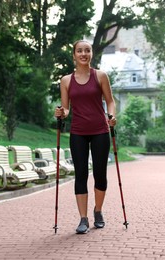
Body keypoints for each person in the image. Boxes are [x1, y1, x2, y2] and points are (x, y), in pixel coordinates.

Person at [54, 40, 116, 234]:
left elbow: (110, 102)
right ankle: (83, 219)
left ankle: (98, 210)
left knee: (100, 174)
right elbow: (66, 108)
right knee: (80, 174)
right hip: (78, 132)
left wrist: (112, 117)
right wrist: (61, 113)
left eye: (87, 50)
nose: (83, 54)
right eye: (79, 51)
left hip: (100, 130)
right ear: (74, 55)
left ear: (91, 54)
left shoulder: (100, 76)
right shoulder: (65, 80)